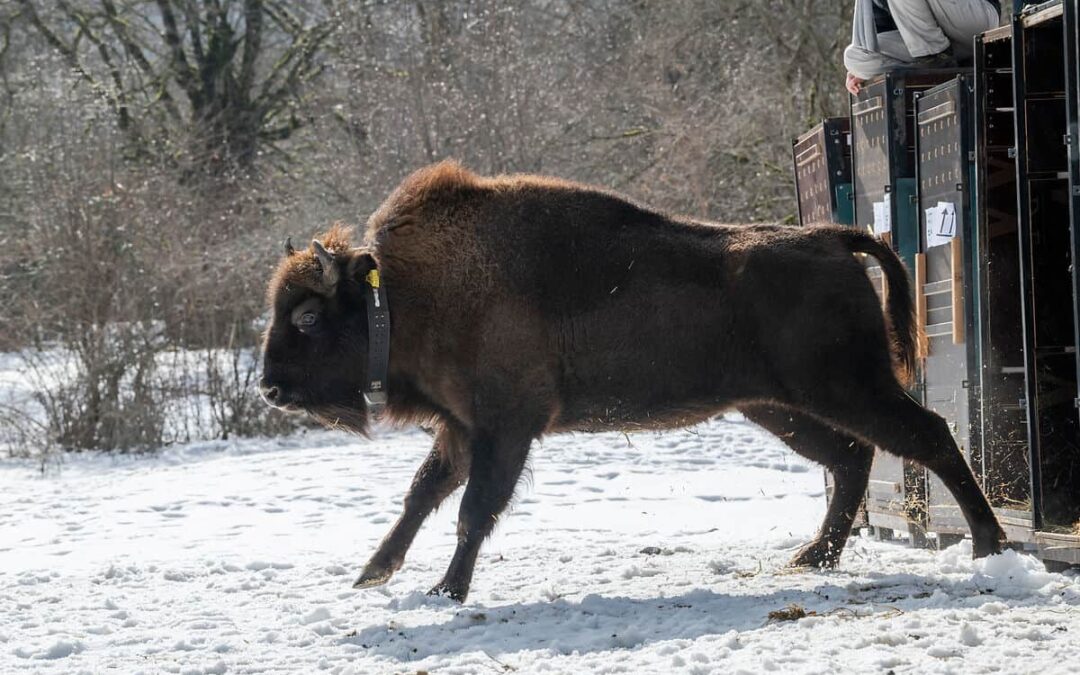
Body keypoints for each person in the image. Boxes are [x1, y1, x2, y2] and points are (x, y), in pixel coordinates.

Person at [845, 0, 1002, 95]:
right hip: (938, 43)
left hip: (973, 19)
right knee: (854, 57)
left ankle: (936, 57)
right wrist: (865, 69)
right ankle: (936, 63)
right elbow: (881, 32)